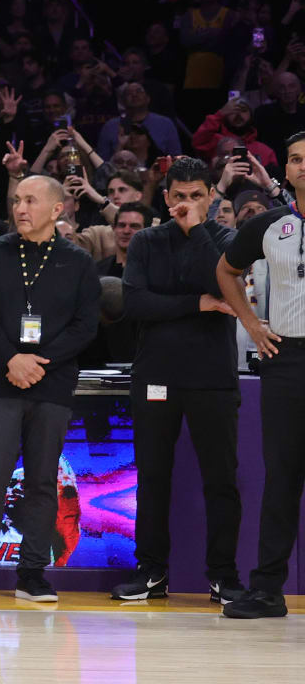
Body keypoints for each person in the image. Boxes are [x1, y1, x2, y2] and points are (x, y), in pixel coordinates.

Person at [0, 175, 101, 602]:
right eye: (16, 200)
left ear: (57, 209)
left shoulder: (78, 261)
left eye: (31, 200)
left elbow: (86, 325)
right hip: (0, 379)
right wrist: (13, 359)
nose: (20, 208)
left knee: (42, 480)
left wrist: (38, 362)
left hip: (52, 384)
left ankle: (33, 573)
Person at [111, 158, 245, 603]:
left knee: (220, 480)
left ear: (211, 197)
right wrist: (197, 304)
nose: (186, 204)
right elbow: (136, 304)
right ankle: (151, 572)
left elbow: (225, 286)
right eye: (179, 196)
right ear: (165, 198)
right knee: (152, 477)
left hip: (212, 376)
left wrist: (198, 232)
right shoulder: (147, 240)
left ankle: (223, 575)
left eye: (196, 196)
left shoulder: (226, 239)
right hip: (157, 375)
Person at [214, 132, 305, 618]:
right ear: (286, 171)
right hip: (287, 360)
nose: (303, 165)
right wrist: (250, 323)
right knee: (283, 477)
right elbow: (226, 271)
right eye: (295, 160)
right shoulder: (271, 225)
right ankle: (268, 589)